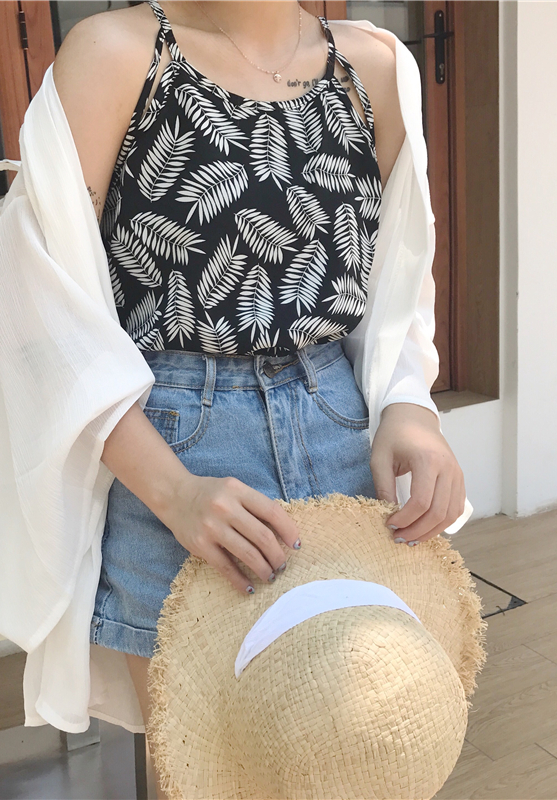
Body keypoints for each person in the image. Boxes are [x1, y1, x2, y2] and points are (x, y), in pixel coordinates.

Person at [52, 1, 466, 794]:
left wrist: (409, 407)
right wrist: (173, 491)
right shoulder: (119, 54)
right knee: (216, 767)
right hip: (174, 445)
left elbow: (398, 282)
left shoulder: (374, 67)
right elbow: (46, 317)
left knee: (359, 759)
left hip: (341, 433)